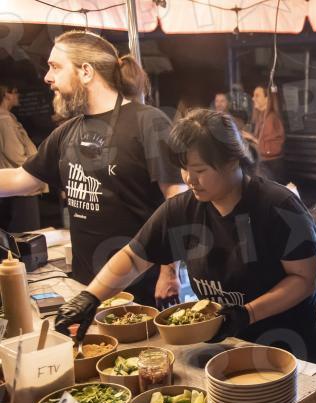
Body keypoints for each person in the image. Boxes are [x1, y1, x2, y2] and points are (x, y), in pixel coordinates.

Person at [55, 109, 316, 368]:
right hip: (229, 346)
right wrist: (89, 298)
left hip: (292, 348)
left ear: (231, 161)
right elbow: (133, 257)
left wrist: (246, 313)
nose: (189, 179)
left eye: (200, 170)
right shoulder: (182, 210)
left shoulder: (279, 207)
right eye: (183, 168)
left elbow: (306, 279)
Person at [0, 31, 186, 306]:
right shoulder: (67, 132)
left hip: (142, 290)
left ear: (86, 71)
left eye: (55, 67)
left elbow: (178, 201)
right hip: (86, 289)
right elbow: (21, 179)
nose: (47, 78)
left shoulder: (148, 122)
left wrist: (170, 271)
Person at [0, 84, 40, 231]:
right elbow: (15, 155)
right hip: (20, 187)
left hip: (14, 187)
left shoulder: (7, 118)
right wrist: (38, 170)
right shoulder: (5, 120)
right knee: (26, 233)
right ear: (6, 94)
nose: (18, 96)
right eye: (15, 92)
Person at [249, 85, 286, 182]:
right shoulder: (261, 117)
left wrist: (252, 139)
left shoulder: (271, 119)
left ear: (267, 99)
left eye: (257, 95)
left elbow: (272, 149)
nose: (253, 98)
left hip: (271, 166)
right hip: (265, 164)